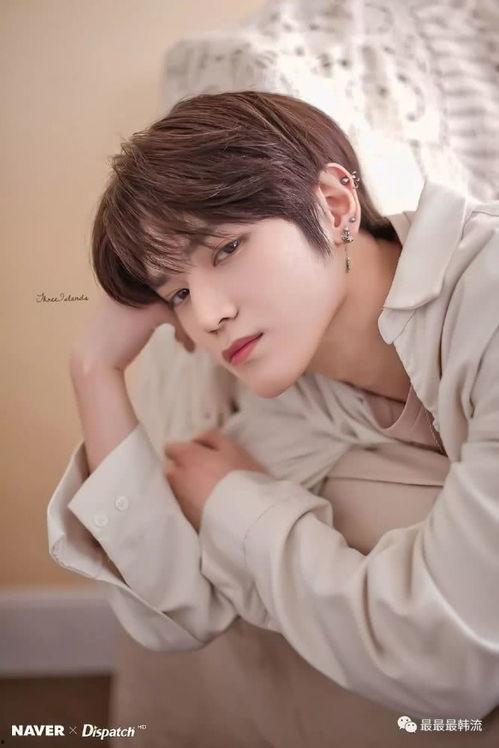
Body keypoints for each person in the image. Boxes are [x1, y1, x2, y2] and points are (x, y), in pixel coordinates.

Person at [47, 91, 499, 743]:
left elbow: (452, 664)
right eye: (177, 292)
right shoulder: (286, 395)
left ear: (334, 205)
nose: (208, 315)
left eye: (227, 248)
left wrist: (239, 507)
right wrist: (94, 369)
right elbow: (172, 613)